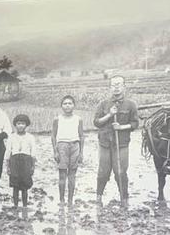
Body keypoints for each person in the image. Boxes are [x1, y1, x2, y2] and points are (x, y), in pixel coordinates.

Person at [93, 75, 139, 206]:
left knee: (120, 171)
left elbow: (135, 124)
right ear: (110, 87)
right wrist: (109, 115)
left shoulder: (131, 105)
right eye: (114, 85)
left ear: (124, 86)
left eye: (119, 84)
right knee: (103, 171)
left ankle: (124, 198)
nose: (116, 87)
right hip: (105, 143)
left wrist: (121, 127)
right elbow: (96, 122)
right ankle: (98, 197)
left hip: (122, 143)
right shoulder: (103, 104)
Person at [51, 95, 85, 207]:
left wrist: (81, 153)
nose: (67, 105)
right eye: (65, 103)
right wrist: (55, 151)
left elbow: (81, 136)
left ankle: (70, 200)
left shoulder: (78, 119)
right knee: (62, 174)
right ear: (61, 106)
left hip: (75, 145)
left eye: (70, 103)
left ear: (74, 105)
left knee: (72, 175)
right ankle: (61, 199)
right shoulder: (57, 119)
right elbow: (53, 136)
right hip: (62, 146)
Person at [5, 114, 36, 208]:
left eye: (23, 123)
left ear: (26, 125)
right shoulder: (11, 137)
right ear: (15, 125)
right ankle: (15, 205)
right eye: (18, 123)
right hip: (14, 161)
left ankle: (25, 206)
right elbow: (8, 151)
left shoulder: (30, 137)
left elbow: (33, 152)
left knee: (25, 185)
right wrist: (7, 166)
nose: (21, 126)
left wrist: (32, 166)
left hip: (26, 161)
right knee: (15, 185)